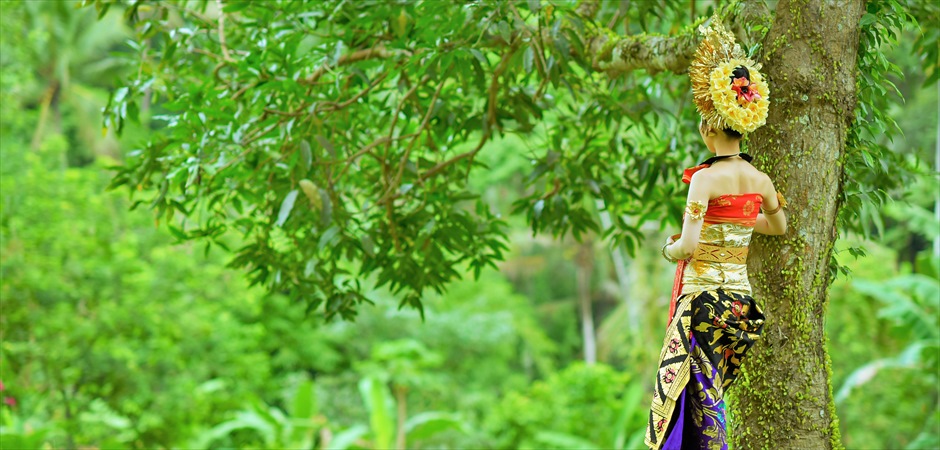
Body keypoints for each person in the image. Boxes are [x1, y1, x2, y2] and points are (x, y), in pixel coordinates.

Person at [645, 18, 788, 450]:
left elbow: (688, 246)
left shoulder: (703, 181)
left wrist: (669, 249)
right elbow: (777, 227)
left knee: (697, 397)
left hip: (702, 301)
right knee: (707, 392)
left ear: (710, 126)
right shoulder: (760, 180)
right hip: (739, 305)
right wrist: (740, 223)